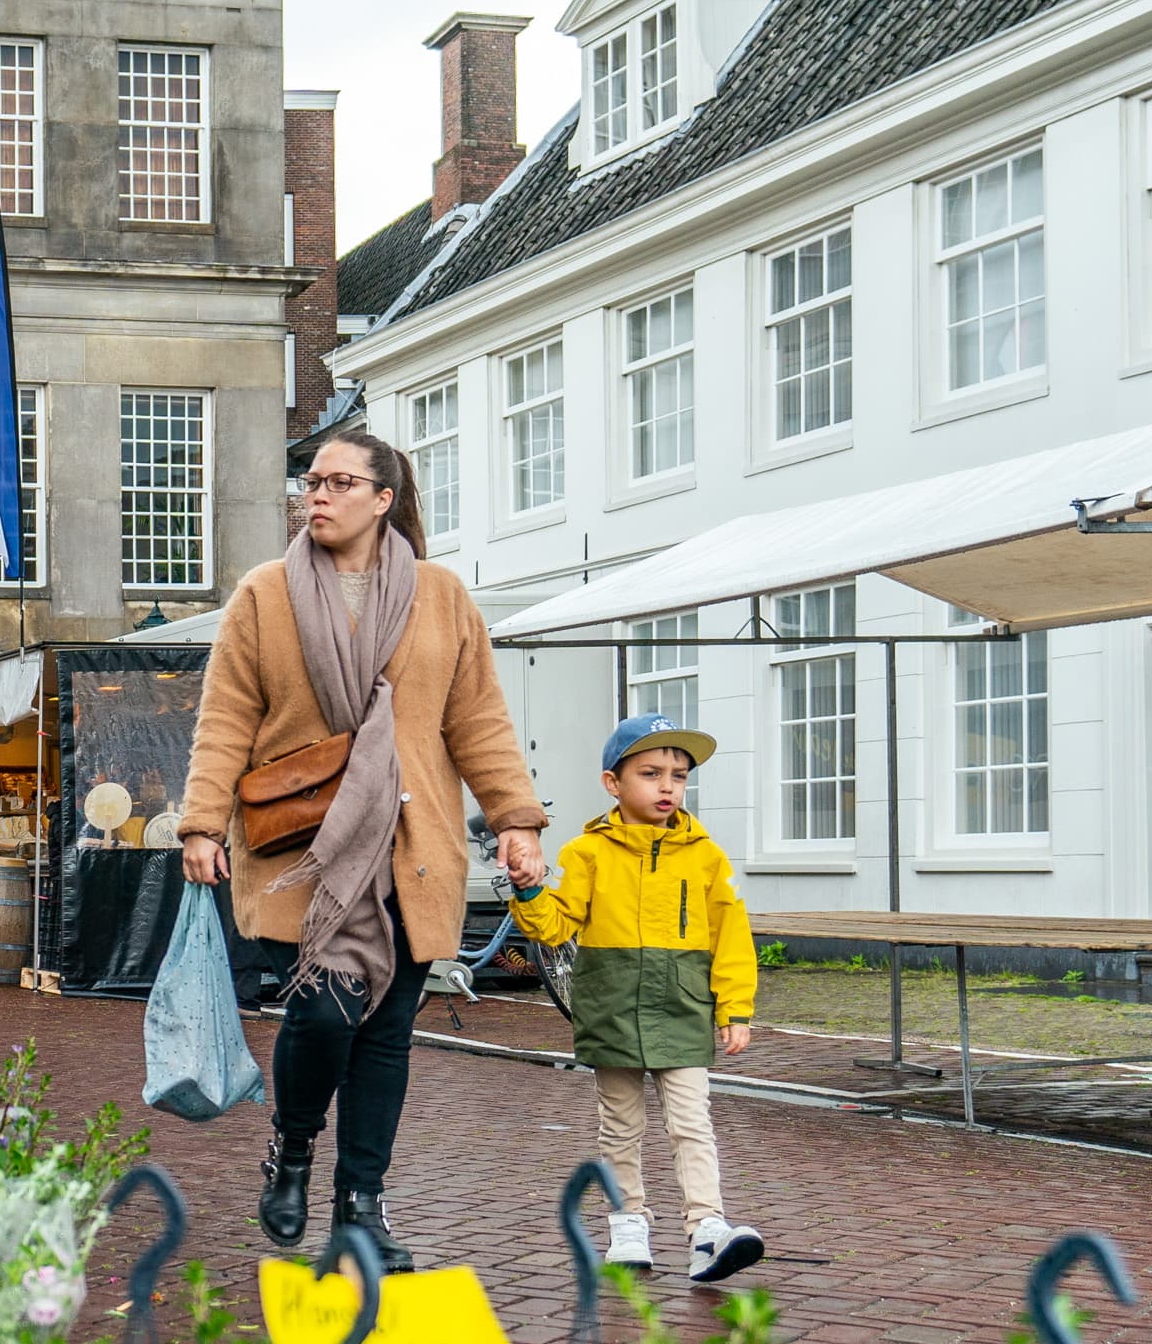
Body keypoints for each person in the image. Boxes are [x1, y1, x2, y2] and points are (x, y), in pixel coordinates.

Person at [179, 428, 546, 1271]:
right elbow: (226, 715)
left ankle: (361, 1207)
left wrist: (515, 818)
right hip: (303, 849)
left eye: (340, 482)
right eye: (312, 480)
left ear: (384, 498)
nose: (318, 493)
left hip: (412, 847)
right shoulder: (265, 593)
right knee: (322, 1010)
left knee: (385, 1031)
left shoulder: (442, 596)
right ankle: (293, 1145)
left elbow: (477, 718)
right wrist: (201, 822)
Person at [511, 716, 765, 1283]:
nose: (667, 786)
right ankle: (628, 1224)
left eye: (678, 775)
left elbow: (731, 937)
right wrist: (528, 889)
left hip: (683, 1009)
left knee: (692, 1122)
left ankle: (707, 1229)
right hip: (612, 1008)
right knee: (620, 1126)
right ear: (613, 782)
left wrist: (735, 1007)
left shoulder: (706, 856)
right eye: (651, 774)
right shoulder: (586, 853)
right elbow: (554, 927)